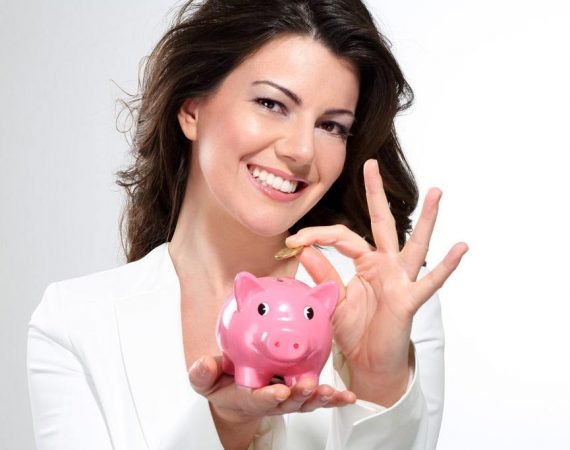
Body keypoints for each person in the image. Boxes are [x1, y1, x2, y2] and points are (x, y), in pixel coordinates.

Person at [27, 0, 468, 448]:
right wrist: (226, 424)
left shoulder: (387, 304)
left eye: (332, 126)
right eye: (271, 103)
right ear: (192, 109)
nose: (301, 150)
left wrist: (378, 378)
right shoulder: (75, 322)